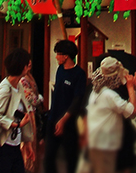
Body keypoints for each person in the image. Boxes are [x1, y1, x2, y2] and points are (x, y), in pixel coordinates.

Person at [84, 56, 136, 173]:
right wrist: (130, 87)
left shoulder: (95, 91)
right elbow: (133, 111)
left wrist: (135, 90)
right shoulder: (110, 95)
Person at [0, 48, 34, 173]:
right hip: (2, 146)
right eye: (27, 64)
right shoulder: (5, 89)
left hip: (15, 144)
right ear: (22, 67)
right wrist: (17, 124)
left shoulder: (18, 85)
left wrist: (28, 142)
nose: (29, 66)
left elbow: (21, 112)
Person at [44, 40, 87, 173]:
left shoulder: (79, 74)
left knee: (71, 158)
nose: (56, 57)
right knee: (49, 157)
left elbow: (77, 100)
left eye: (58, 54)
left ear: (66, 56)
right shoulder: (60, 70)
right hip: (53, 118)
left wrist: (63, 120)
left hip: (69, 123)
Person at [20, 59, 43, 173]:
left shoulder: (30, 77)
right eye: (26, 62)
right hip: (27, 113)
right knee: (28, 143)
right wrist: (40, 99)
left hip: (31, 113)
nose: (29, 63)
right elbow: (31, 99)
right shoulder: (23, 80)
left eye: (30, 61)